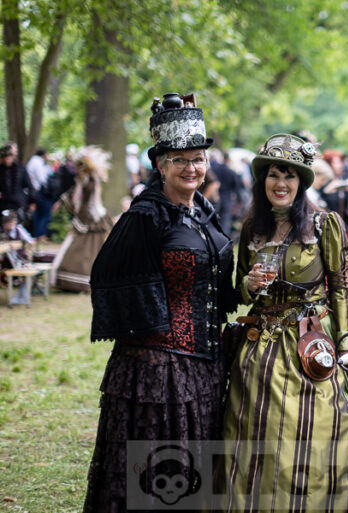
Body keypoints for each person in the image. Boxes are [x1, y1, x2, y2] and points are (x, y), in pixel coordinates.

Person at [217, 133, 348, 511]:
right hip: (259, 347)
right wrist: (248, 284)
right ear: (262, 181)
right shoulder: (251, 228)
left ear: (301, 182)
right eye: (274, 175)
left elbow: (340, 286)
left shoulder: (323, 223)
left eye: (290, 176)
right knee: (252, 429)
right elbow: (241, 291)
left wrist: (345, 346)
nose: (281, 184)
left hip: (310, 343)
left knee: (327, 427)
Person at [83, 93, 236, 512]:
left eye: (198, 159)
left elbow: (214, 280)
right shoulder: (146, 216)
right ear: (160, 165)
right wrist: (153, 327)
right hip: (158, 371)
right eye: (180, 160)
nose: (192, 168)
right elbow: (109, 277)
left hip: (203, 366)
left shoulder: (203, 212)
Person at [50, 146, 114, 292]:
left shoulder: (91, 182)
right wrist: (61, 201)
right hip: (84, 217)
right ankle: (71, 281)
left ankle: (86, 281)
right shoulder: (82, 181)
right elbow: (73, 196)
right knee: (74, 248)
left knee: (89, 251)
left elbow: (89, 202)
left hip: (90, 218)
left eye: (79, 167)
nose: (77, 170)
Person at [0, 142, 33, 223]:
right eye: (5, 157)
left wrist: (31, 202)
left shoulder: (20, 169)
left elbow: (29, 186)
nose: (7, 159)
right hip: (2, 205)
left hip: (17, 205)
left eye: (9, 156)